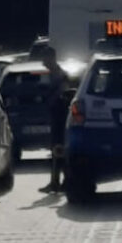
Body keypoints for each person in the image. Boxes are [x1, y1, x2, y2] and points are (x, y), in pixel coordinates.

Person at [39, 47, 70, 193]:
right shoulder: (52, 74)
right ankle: (57, 181)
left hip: (61, 117)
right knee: (56, 150)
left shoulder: (59, 75)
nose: (42, 62)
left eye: (44, 58)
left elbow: (61, 95)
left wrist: (51, 100)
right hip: (56, 115)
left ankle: (62, 181)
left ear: (51, 58)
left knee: (59, 149)